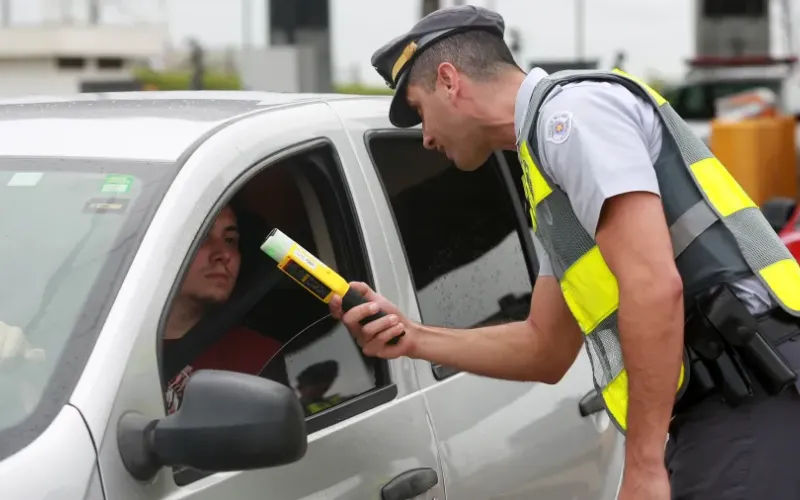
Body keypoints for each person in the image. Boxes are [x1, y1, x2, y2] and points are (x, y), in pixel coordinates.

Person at [329, 5, 800, 500]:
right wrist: (411, 337)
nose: (425, 137)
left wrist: (643, 465)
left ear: (449, 81)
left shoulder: (570, 119)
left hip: (752, 390)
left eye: (420, 110)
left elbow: (652, 286)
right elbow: (545, 348)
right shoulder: (546, 175)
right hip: (740, 400)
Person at [0, 204, 288, 415]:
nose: (223, 254)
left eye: (230, 240)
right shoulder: (84, 348)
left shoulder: (258, 358)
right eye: (202, 237)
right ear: (160, 249)